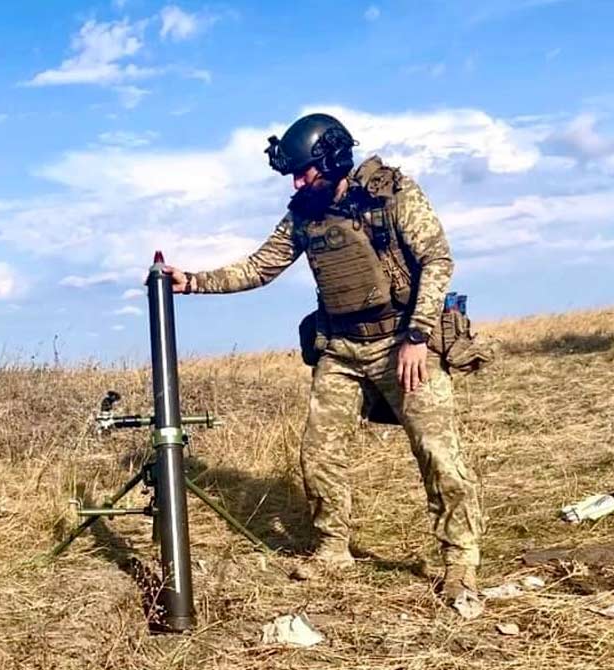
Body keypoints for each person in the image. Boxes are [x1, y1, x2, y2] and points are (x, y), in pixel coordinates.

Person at [163, 113, 485, 616]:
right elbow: (258, 266)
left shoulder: (392, 194)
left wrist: (418, 335)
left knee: (438, 455)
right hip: (340, 348)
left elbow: (438, 260)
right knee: (319, 454)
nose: (297, 182)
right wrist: (192, 281)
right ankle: (334, 549)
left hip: (402, 342)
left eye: (305, 171)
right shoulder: (304, 214)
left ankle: (460, 561)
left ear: (331, 159)